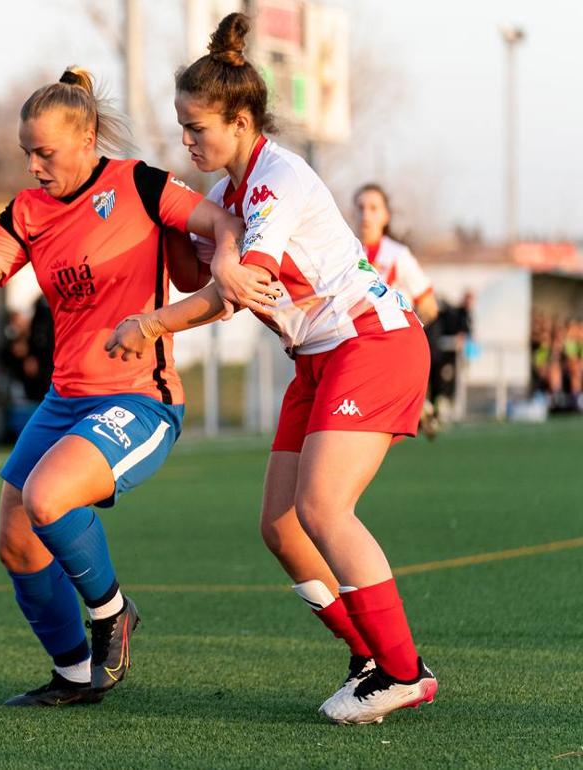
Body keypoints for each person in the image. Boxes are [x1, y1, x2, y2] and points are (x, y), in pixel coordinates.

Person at [0, 66, 256, 706]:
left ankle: (113, 613)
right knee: (15, 541)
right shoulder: (26, 211)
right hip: (64, 400)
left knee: (47, 498)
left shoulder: (140, 184)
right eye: (27, 154)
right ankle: (73, 674)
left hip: (139, 399)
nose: (35, 166)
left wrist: (228, 264)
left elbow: (224, 225)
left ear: (88, 135)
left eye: (46, 152)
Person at [106, 13, 437, 724]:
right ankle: (369, 657)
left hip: (371, 342)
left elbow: (238, 288)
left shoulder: (277, 180)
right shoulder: (229, 193)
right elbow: (207, 255)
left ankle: (404, 672)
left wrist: (151, 323)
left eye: (199, 129)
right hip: (318, 358)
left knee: (323, 508)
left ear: (244, 120)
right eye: (183, 127)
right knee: (283, 528)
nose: (188, 140)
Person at [354, 183, 442, 436]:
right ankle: (418, 406)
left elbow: (429, 307)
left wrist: (406, 331)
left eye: (373, 208)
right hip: (359, 348)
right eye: (360, 208)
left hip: (390, 346)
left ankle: (414, 402)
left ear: (385, 216)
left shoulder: (397, 255)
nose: (365, 215)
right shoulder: (347, 250)